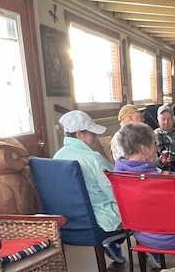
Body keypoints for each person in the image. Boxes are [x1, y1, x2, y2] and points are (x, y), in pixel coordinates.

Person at [113, 123, 175, 271]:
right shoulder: (159, 181)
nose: (157, 149)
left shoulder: (118, 175)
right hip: (174, 238)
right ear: (143, 149)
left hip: (141, 236)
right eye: (154, 144)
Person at [53, 110, 125, 263]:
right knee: (140, 206)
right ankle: (154, 250)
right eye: (92, 133)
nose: (95, 136)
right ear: (79, 134)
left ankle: (114, 243)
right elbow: (118, 192)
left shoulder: (57, 157)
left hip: (69, 222)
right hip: (103, 219)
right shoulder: (93, 159)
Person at [114, 104, 175, 192]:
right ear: (130, 118)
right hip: (147, 179)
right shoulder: (120, 139)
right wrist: (160, 174)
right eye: (140, 116)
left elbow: (145, 161)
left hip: (152, 173)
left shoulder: (135, 134)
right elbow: (132, 168)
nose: (143, 119)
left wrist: (160, 162)